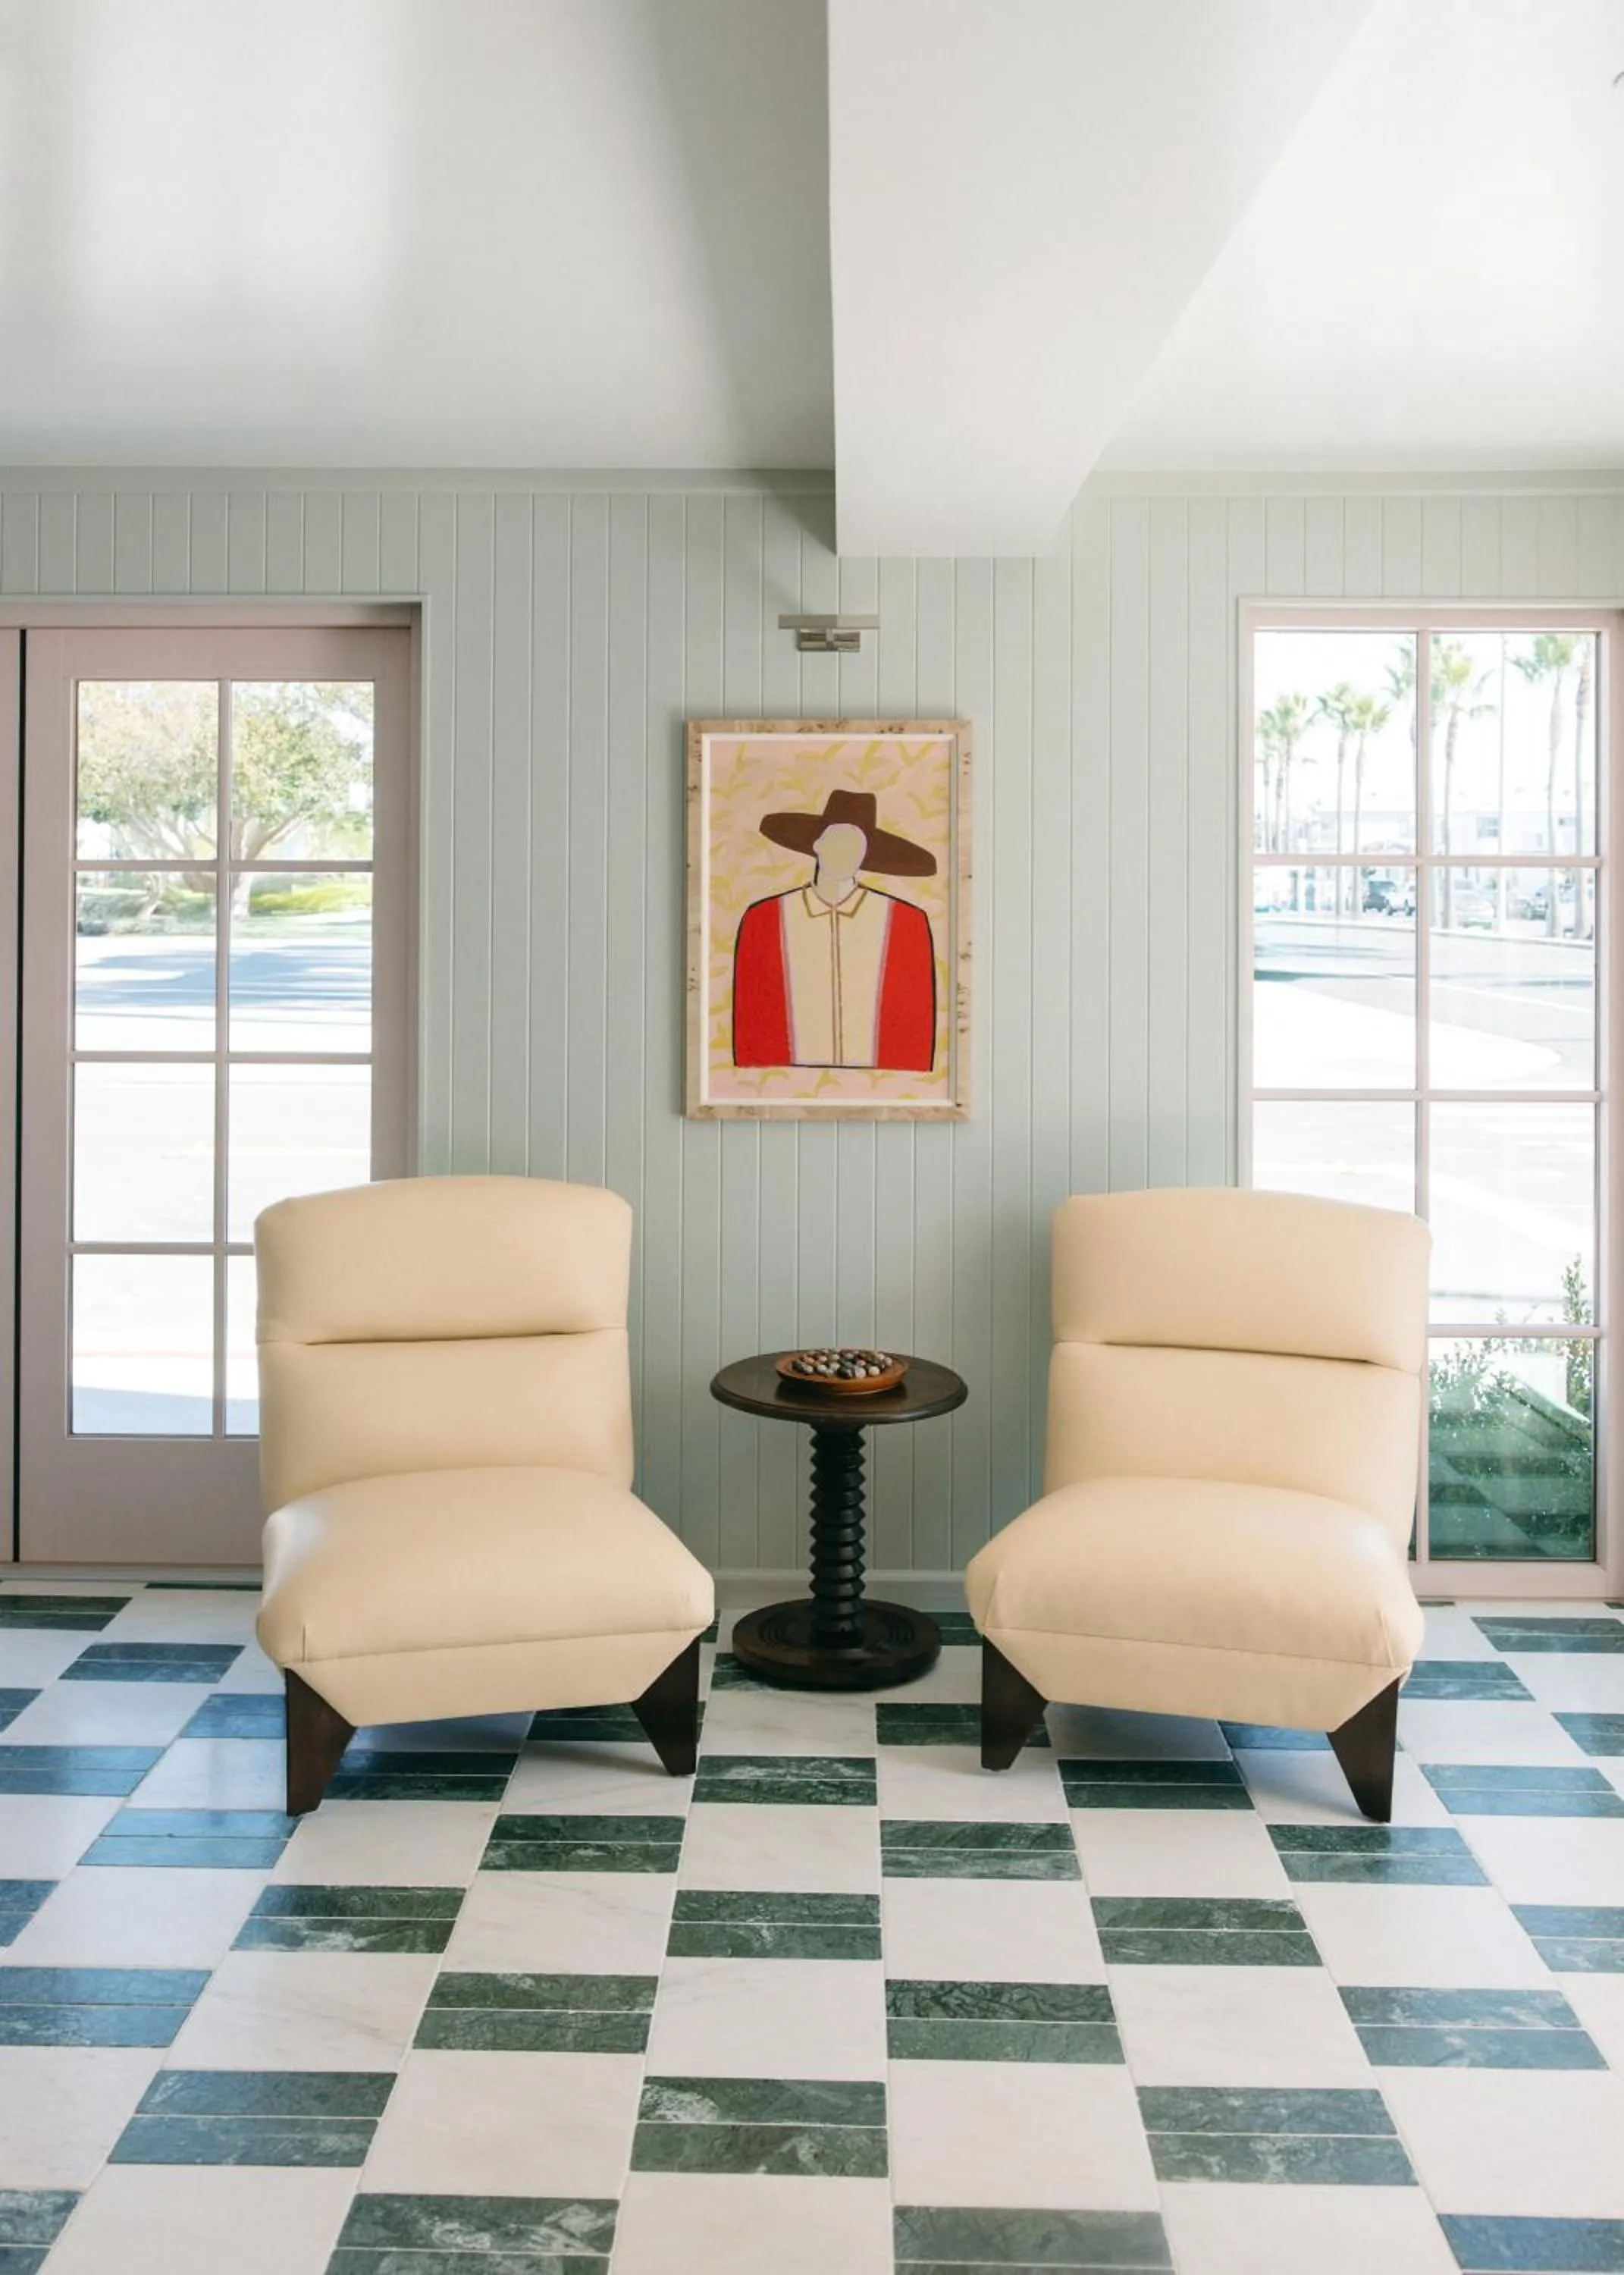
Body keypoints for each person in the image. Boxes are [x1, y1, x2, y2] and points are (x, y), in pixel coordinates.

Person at [732, 788, 936, 1072]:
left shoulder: (905, 922)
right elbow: (751, 1019)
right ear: (817, 844)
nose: (845, 853)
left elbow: (916, 1022)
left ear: (866, 854)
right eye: (838, 841)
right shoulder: (764, 918)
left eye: (856, 845)